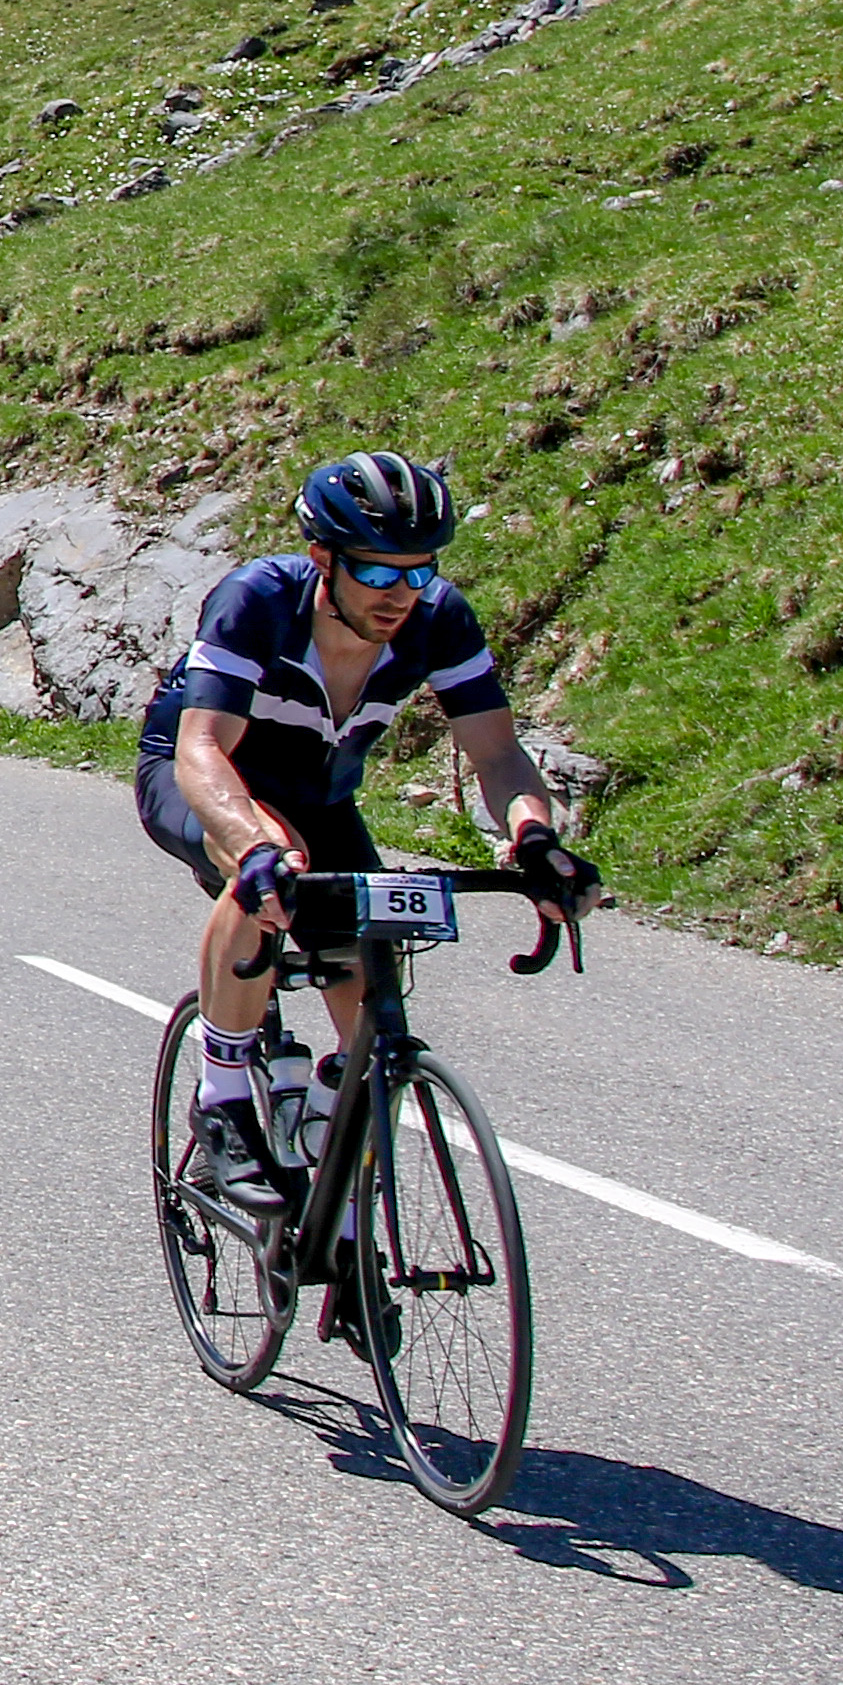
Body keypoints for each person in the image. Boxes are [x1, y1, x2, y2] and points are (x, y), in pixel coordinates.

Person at [136, 452, 596, 1184]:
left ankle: (332, 1145)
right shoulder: (259, 600)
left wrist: (534, 839)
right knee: (274, 866)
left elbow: (499, 754)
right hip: (203, 779)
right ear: (324, 557)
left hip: (322, 797)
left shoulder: (437, 618)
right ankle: (221, 1095)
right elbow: (201, 748)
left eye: (418, 571)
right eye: (378, 573)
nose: (400, 594)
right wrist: (252, 848)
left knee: (364, 985)